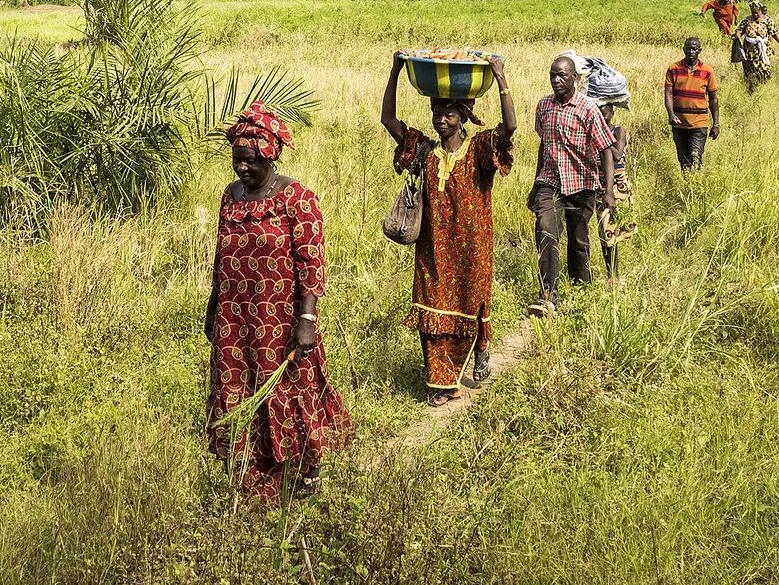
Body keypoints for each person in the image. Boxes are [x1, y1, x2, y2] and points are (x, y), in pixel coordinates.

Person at [205, 102, 351, 500]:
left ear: (270, 156)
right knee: (237, 383)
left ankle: (308, 467)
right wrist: (214, 303)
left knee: (289, 386)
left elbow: (312, 263)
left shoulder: (296, 198)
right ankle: (251, 466)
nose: (242, 169)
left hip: (281, 318)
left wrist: (307, 318)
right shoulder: (230, 197)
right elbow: (222, 256)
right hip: (236, 316)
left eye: (250, 161)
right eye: (237, 161)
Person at [380, 52, 516, 405]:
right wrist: (395, 71)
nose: (442, 119)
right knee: (432, 308)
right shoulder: (424, 150)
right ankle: (441, 383)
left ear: (463, 117)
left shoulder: (480, 149)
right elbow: (388, 119)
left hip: (473, 245)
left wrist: (501, 79)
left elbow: (510, 128)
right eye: (437, 112)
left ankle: (480, 346)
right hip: (432, 246)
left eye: (449, 113)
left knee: (471, 303)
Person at [529, 54, 618, 314]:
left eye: (562, 76)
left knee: (578, 241)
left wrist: (608, 191)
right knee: (546, 232)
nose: (556, 80)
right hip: (550, 181)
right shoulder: (543, 106)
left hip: (581, 184)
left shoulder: (588, 108)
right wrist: (536, 184)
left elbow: (606, 151)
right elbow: (544, 145)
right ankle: (548, 296)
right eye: (552, 75)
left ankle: (582, 291)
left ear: (575, 79)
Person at [664, 37, 721, 172]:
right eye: (688, 48)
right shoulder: (673, 69)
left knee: (695, 157)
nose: (691, 51)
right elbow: (668, 94)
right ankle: (687, 187)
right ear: (683, 49)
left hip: (699, 123)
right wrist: (671, 114)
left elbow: (713, 99)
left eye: (694, 49)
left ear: (699, 50)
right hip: (679, 122)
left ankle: (694, 187)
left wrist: (716, 124)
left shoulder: (708, 71)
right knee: (683, 161)